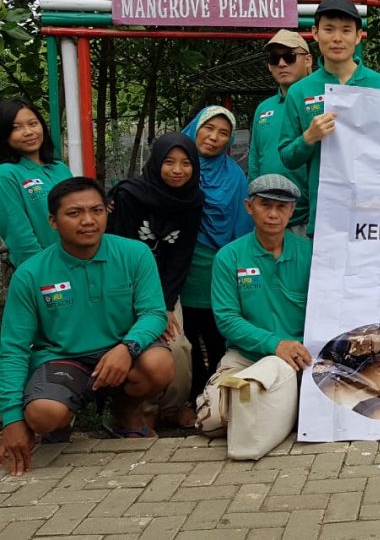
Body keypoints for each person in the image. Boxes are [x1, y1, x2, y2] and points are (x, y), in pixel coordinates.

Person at [0, 178, 172, 475]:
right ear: (53, 221)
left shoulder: (134, 253)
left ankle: (125, 413)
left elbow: (154, 313)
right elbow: (13, 348)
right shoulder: (31, 273)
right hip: (63, 359)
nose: (88, 220)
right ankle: (60, 421)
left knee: (160, 363)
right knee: (43, 414)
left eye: (97, 210)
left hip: (121, 354)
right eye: (75, 213)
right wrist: (11, 420)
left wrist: (127, 348)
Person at [195, 175, 312, 438]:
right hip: (246, 357)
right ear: (249, 207)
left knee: (317, 415)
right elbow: (227, 319)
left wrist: (295, 347)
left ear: (292, 210)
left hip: (301, 356)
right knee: (212, 421)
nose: (273, 214)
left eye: (282, 207)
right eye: (265, 205)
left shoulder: (311, 253)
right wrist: (275, 344)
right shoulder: (229, 256)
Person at [278, 0, 380, 236]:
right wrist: (309, 138)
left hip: (377, 218)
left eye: (346, 30)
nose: (336, 38)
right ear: (315, 32)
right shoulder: (300, 91)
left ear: (358, 36)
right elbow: (287, 157)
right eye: (329, 29)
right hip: (325, 219)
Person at [107, 133, 204, 428]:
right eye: (169, 162)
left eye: (186, 163)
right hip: (129, 288)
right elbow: (119, 252)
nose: (177, 170)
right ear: (156, 163)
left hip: (165, 289)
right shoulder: (128, 197)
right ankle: (142, 409)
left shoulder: (193, 200)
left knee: (178, 345)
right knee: (147, 347)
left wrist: (165, 305)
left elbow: (181, 256)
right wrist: (142, 304)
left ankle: (173, 408)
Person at [179, 106, 253, 413]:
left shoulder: (234, 175)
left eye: (223, 133)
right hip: (180, 261)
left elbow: (242, 223)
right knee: (186, 335)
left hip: (218, 261)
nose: (214, 137)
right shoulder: (176, 164)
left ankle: (216, 397)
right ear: (195, 127)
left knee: (216, 331)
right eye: (208, 128)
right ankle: (189, 396)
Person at [248, 29, 313, 233]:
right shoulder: (264, 109)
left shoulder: (321, 100)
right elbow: (255, 161)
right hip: (269, 219)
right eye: (275, 58)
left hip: (309, 218)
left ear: (308, 60)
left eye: (290, 56)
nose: (282, 63)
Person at [0, 99, 73, 268]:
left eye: (33, 123)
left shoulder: (59, 168)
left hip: (79, 264)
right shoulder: (6, 174)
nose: (28, 132)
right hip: (46, 271)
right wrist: (43, 272)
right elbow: (19, 237)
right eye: (15, 128)